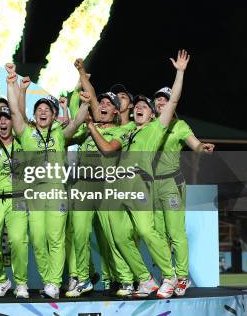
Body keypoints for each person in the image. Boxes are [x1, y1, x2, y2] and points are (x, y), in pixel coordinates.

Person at [110, 50, 191, 299]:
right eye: (137, 107)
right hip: (120, 187)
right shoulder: (126, 132)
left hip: (142, 185)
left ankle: (170, 275)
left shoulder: (156, 129)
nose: (139, 109)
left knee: (146, 231)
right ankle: (145, 280)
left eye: (145, 106)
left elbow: (174, 101)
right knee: (120, 236)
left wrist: (179, 72)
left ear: (153, 114)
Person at [6, 64, 91, 299]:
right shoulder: (26, 133)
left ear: (54, 116)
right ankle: (48, 280)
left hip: (56, 192)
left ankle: (53, 282)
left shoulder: (58, 134)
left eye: (47, 109)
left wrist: (84, 103)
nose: (43, 111)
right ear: (35, 115)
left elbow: (76, 123)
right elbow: (14, 112)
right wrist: (10, 83)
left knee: (56, 239)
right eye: (39, 109)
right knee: (38, 240)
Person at [65, 91, 136, 298]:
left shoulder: (121, 131)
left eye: (109, 103)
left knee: (112, 236)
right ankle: (83, 279)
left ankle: (125, 279)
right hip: (82, 185)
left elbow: (108, 151)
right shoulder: (88, 131)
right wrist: (82, 109)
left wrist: (90, 127)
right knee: (79, 233)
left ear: (116, 111)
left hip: (106, 187)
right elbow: (66, 137)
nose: (103, 105)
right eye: (101, 102)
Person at [152, 86, 214, 296]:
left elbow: (193, 143)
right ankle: (167, 276)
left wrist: (201, 147)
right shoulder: (149, 126)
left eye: (165, 100)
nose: (161, 103)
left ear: (173, 104)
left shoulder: (179, 125)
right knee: (158, 234)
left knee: (176, 233)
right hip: (151, 186)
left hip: (171, 184)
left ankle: (182, 277)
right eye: (158, 100)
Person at [0, 106, 29, 299]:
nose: (3, 122)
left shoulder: (21, 143)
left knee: (19, 242)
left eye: (7, 118)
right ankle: (2, 280)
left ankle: (21, 283)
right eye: (0, 119)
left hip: (17, 198)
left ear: (12, 122)